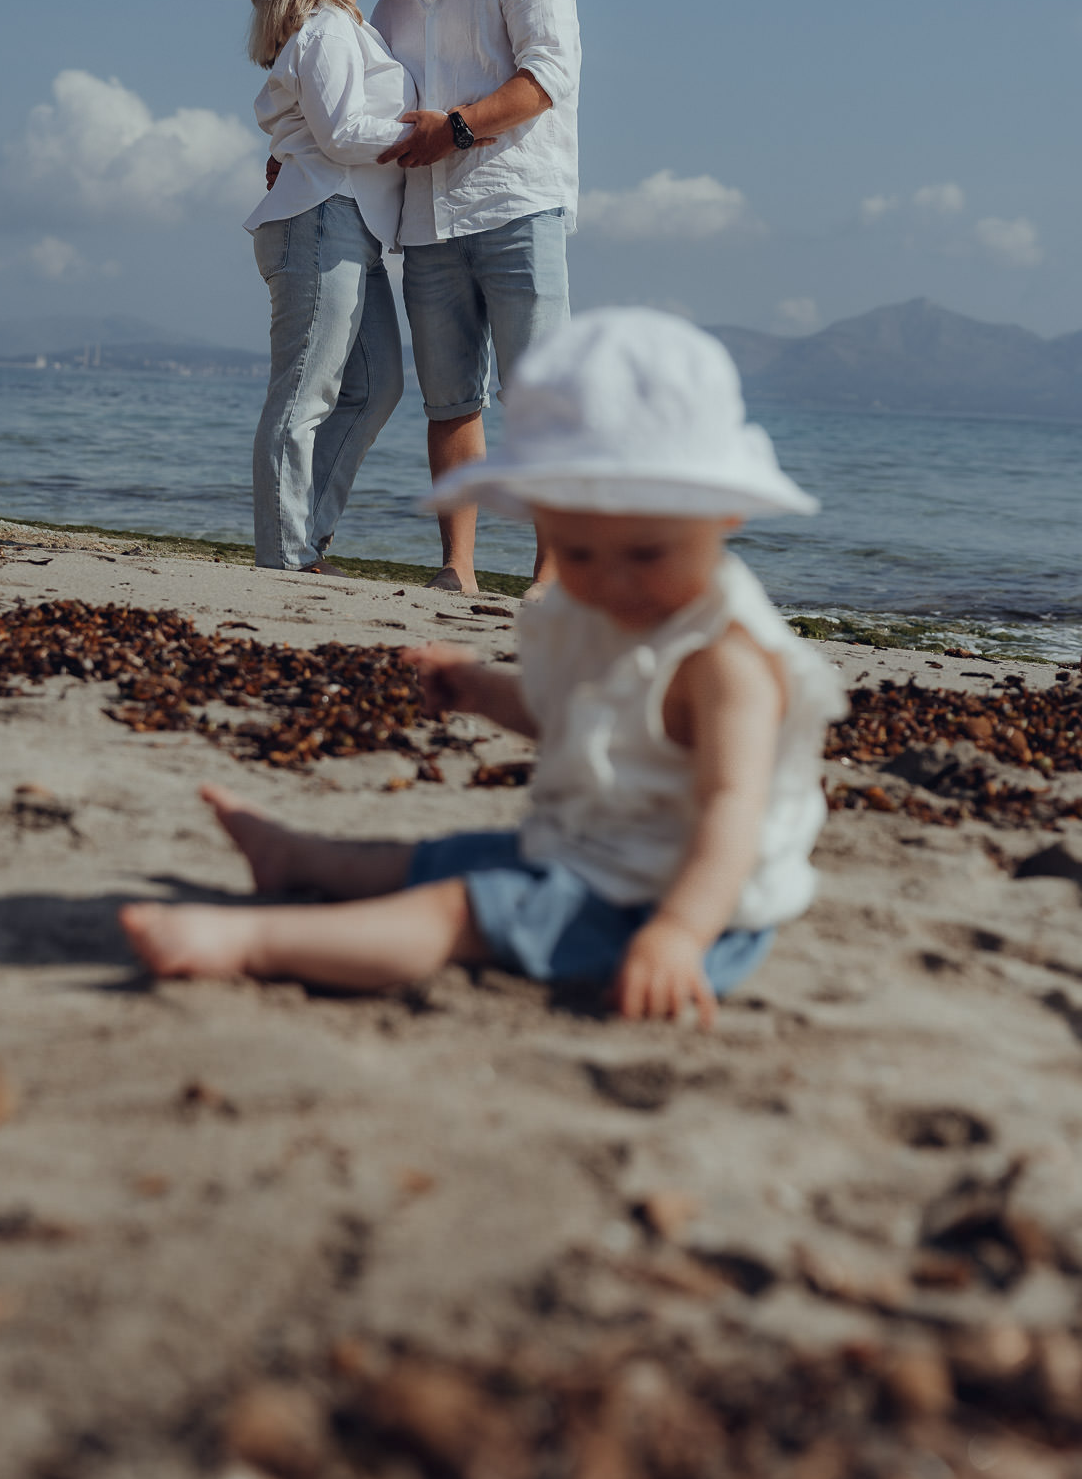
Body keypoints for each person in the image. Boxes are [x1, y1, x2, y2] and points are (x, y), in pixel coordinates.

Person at [121, 309, 845, 1025]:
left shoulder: (724, 660)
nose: (613, 581)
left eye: (647, 553)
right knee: (446, 859)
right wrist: (481, 690)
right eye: (579, 553)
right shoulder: (616, 617)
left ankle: (253, 942)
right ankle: (298, 859)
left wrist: (678, 933)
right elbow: (571, 718)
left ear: (724, 513)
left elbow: (733, 811)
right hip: (603, 855)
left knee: (460, 909)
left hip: (681, 908)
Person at [361, 0, 581, 596]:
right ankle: (457, 568)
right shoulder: (390, 4)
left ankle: (551, 574)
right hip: (427, 223)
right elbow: (364, 104)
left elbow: (549, 74)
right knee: (449, 402)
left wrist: (453, 128)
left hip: (520, 205)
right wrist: (295, 146)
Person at [242, 0, 417, 573]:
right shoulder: (325, 30)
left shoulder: (352, 28)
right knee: (304, 394)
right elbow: (343, 133)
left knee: (376, 388)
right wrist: (433, 136)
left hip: (352, 226)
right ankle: (287, 557)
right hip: (320, 219)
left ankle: (305, 540)